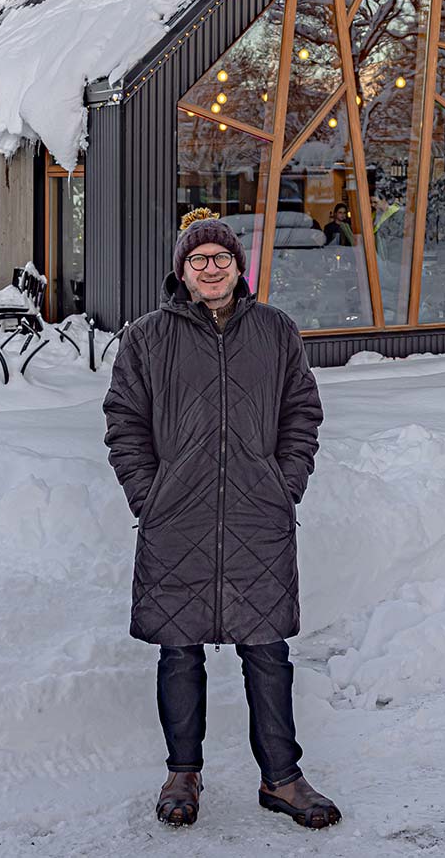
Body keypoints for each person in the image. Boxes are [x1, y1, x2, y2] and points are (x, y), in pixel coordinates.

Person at [102, 217, 342, 830]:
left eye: (221, 258)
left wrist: (283, 483)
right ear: (181, 272)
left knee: (268, 651)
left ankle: (282, 778)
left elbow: (301, 413)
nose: (211, 268)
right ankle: (183, 774)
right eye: (198, 260)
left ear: (240, 267)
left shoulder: (275, 331)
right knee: (178, 652)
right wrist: (148, 495)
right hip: (174, 516)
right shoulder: (148, 337)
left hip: (257, 513)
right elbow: (124, 421)